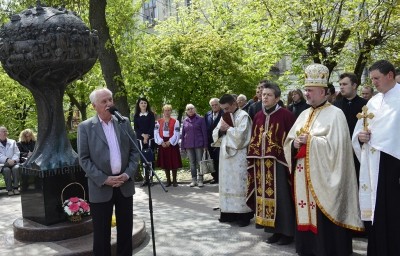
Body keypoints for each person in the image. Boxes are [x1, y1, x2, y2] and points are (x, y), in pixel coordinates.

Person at [284, 63, 364, 256]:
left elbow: (338, 148)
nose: (307, 94)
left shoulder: (336, 114)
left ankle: (328, 249)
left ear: (323, 92)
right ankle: (308, 247)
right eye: (306, 90)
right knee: (305, 212)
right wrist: (294, 144)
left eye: (310, 90)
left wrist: (310, 141)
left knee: (323, 216)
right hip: (304, 175)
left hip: (326, 176)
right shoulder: (304, 113)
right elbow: (290, 140)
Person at [77, 88, 140, 256]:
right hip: (101, 187)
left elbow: (135, 152)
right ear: (94, 106)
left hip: (124, 185)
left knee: (126, 231)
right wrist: (104, 179)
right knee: (101, 235)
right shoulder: (85, 127)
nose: (109, 104)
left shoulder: (123, 122)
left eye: (110, 100)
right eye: (104, 101)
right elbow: (83, 159)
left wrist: (127, 174)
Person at [352, 60, 400, 256]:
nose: (374, 83)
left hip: (394, 164)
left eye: (376, 78)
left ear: (390, 75)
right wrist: (361, 137)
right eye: (371, 79)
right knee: (377, 212)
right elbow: (360, 131)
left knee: (393, 212)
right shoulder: (373, 101)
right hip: (373, 164)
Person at [247, 82, 296, 245]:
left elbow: (291, 140)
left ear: (277, 98)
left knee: (282, 198)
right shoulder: (258, 116)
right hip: (261, 165)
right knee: (264, 198)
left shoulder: (286, 115)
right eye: (263, 94)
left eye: (268, 95)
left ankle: (287, 233)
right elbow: (254, 138)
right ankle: (273, 231)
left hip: (279, 164)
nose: (264, 97)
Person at [212, 94, 253, 227]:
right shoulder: (224, 116)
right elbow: (216, 131)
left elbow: (242, 137)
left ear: (234, 104)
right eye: (223, 109)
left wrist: (228, 129)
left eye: (227, 108)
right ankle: (228, 214)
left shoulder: (243, 116)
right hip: (225, 157)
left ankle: (242, 216)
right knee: (226, 183)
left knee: (238, 184)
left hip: (239, 157)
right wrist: (221, 131)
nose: (225, 111)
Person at [334, 72, 367, 180]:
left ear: (354, 85)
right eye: (340, 85)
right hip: (340, 151)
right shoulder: (335, 106)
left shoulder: (365, 105)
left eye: (345, 84)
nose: (342, 87)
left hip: (359, 150)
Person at [154, 104, 182, 187]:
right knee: (165, 162)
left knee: (173, 161)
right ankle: (168, 181)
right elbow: (156, 133)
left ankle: (174, 181)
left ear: (171, 111)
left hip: (172, 143)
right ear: (163, 111)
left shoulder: (176, 121)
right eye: (165, 110)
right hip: (162, 142)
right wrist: (161, 142)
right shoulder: (158, 122)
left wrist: (170, 142)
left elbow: (177, 133)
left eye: (169, 110)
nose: (167, 112)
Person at [181, 104, 208, 187]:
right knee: (192, 163)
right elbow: (183, 135)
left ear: (194, 109)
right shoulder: (185, 121)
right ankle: (194, 180)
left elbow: (204, 133)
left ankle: (200, 180)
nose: (190, 110)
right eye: (188, 109)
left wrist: (205, 145)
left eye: (192, 108)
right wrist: (182, 146)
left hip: (199, 144)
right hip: (189, 145)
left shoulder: (200, 119)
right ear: (186, 111)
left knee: (200, 162)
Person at [133, 97, 156, 187]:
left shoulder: (150, 114)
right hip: (140, 139)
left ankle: (150, 178)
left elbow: (152, 126)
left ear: (147, 104)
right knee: (143, 159)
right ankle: (145, 179)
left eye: (145, 103)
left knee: (150, 158)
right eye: (142, 103)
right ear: (139, 105)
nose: (143, 104)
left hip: (150, 138)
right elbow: (136, 128)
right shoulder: (136, 115)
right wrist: (143, 135)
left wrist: (147, 136)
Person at [204, 98, 223, 184]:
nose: (214, 106)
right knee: (212, 159)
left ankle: (221, 177)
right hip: (210, 141)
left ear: (219, 104)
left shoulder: (224, 113)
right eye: (212, 105)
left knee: (220, 159)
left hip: (220, 140)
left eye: (216, 105)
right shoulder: (207, 114)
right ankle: (215, 177)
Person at [0, 126, 20, 196]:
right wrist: (7, 160)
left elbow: (17, 152)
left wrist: (14, 161)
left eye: (6, 131)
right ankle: (9, 189)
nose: (5, 132)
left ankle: (16, 188)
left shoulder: (12, 142)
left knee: (16, 168)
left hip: (14, 163)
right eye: (3, 131)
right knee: (6, 170)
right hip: (3, 164)